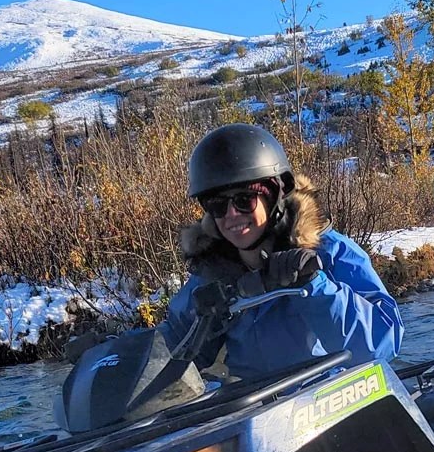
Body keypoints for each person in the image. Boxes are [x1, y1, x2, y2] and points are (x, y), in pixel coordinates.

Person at [159, 123, 403, 381]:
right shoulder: (212, 273)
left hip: (333, 401)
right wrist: (119, 356)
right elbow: (175, 345)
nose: (231, 215)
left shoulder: (329, 252)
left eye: (245, 201)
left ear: (273, 198)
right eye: (218, 205)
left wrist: (315, 287)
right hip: (253, 411)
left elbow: (383, 343)